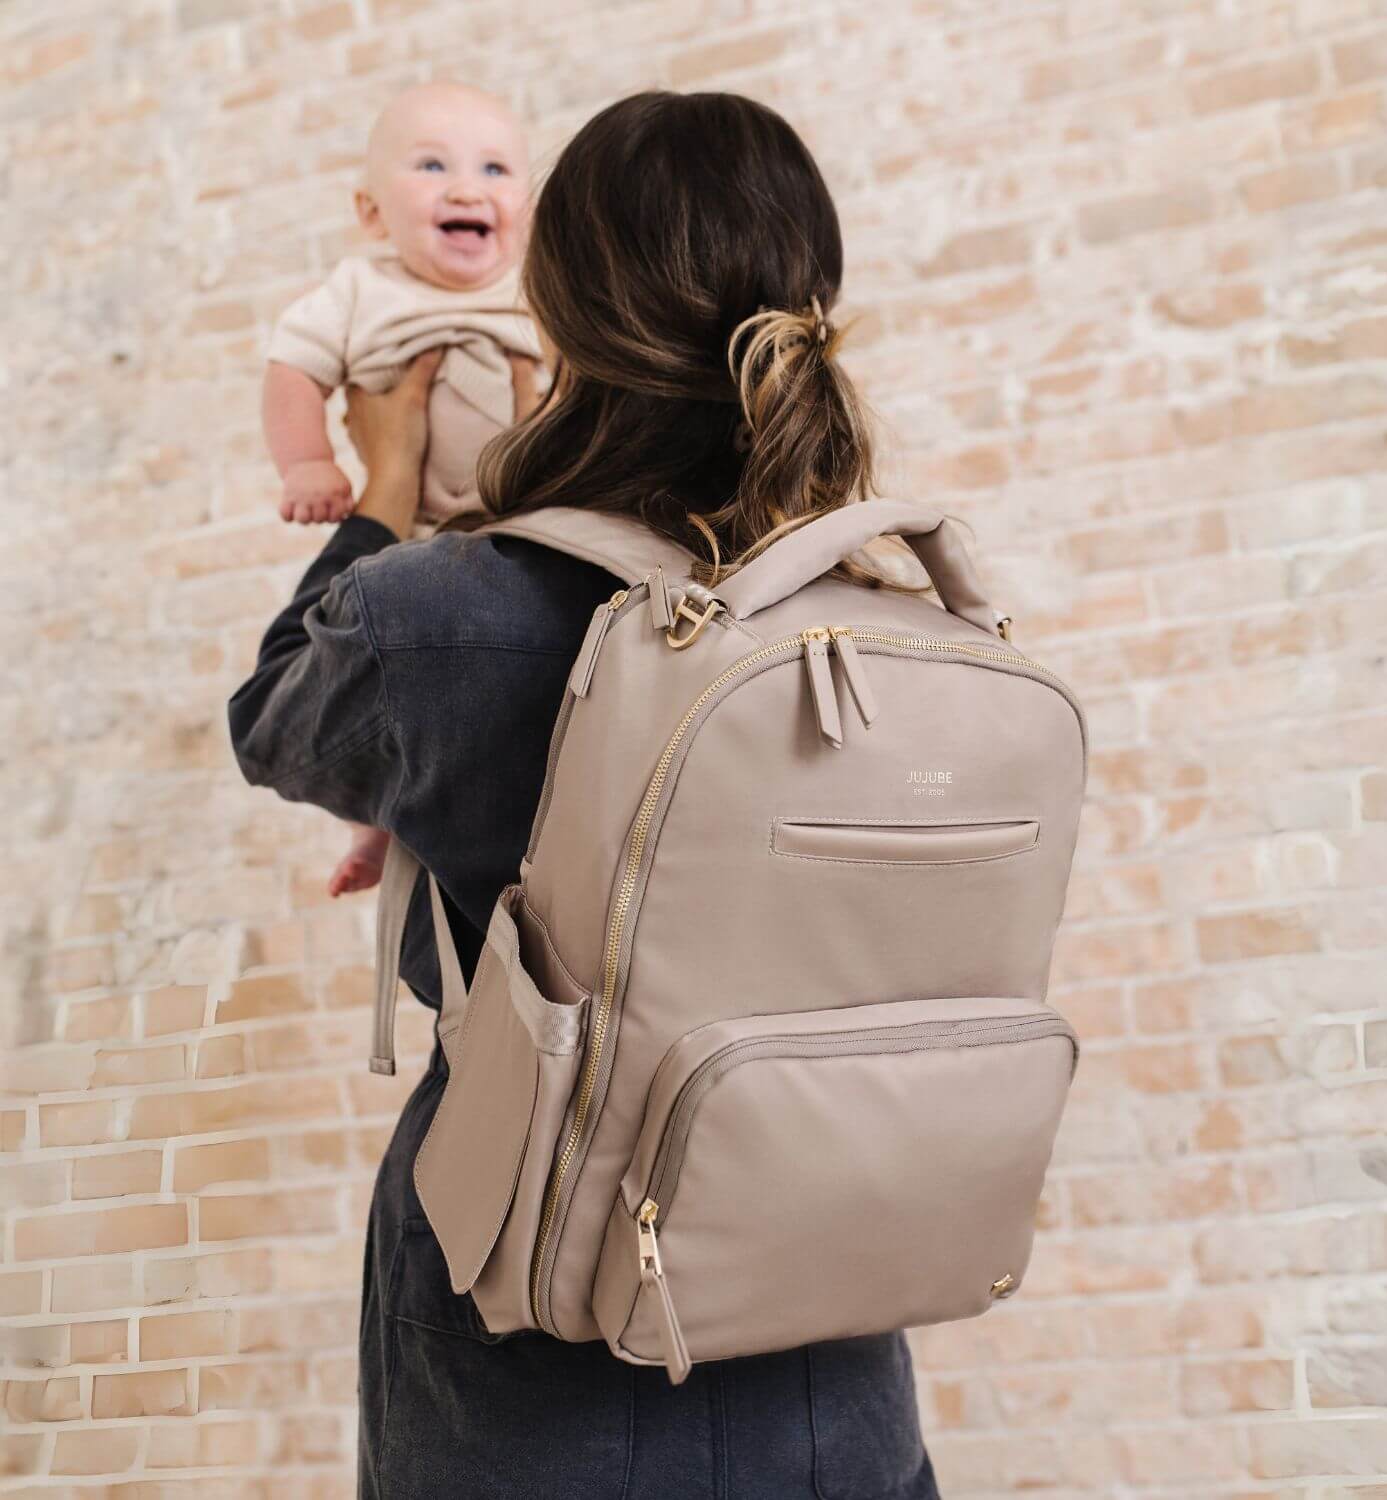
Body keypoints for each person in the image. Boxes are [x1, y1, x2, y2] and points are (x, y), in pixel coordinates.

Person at [228, 89, 941, 1500]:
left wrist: (378, 483)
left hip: (532, 1375)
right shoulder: (891, 622)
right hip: (836, 1370)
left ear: (559, 303)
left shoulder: (450, 615)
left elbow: (272, 721)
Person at [261, 80, 546, 900]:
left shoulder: (538, 294)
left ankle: (419, 825)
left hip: (526, 538)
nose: (467, 187)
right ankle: (374, 822)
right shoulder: (361, 290)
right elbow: (293, 369)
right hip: (415, 537)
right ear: (373, 213)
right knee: (380, 672)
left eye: (496, 169)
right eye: (432, 165)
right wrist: (307, 463)